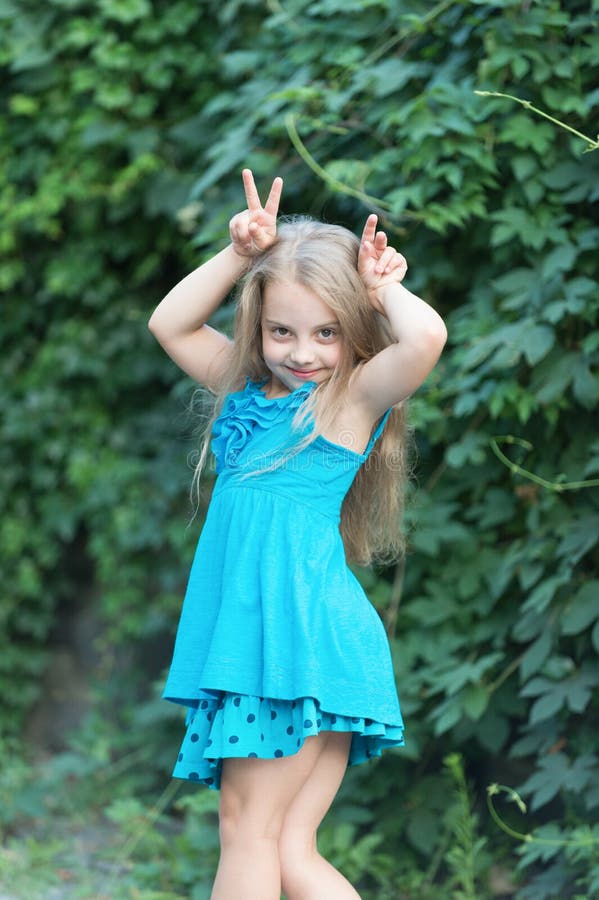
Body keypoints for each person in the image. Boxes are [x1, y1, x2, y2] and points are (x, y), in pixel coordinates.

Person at [148, 168, 447, 900]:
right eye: (281, 330)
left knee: (246, 834)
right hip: (290, 645)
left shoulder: (345, 403)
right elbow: (170, 324)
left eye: (326, 333)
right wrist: (239, 257)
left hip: (294, 643)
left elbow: (426, 337)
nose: (301, 351)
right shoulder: (244, 395)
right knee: (284, 850)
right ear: (259, 325)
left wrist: (382, 292)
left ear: (354, 334)